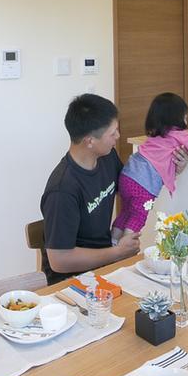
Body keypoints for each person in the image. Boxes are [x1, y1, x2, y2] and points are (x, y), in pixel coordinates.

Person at [40, 94, 141, 285]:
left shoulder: (107, 157)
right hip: (71, 281)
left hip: (106, 266)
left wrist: (171, 168)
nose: (118, 137)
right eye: (113, 133)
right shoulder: (62, 190)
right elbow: (59, 260)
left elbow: (131, 188)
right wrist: (118, 252)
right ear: (90, 141)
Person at [111, 92, 188, 237]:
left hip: (127, 175)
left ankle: (114, 242)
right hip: (144, 184)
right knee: (137, 217)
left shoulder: (155, 133)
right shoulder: (180, 135)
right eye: (185, 116)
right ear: (178, 117)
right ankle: (125, 248)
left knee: (125, 212)